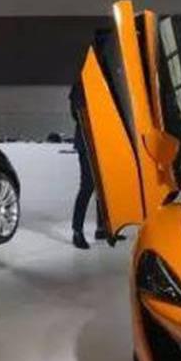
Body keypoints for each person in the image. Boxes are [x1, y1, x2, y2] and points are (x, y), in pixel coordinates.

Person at [69, 81, 107, 250]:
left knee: (103, 187)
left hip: (100, 141)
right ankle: (77, 231)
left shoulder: (98, 82)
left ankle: (102, 227)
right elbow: (77, 113)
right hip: (86, 142)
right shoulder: (80, 84)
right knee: (87, 186)